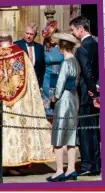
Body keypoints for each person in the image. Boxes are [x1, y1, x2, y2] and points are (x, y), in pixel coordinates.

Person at [0, 32, 55, 175]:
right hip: (18, 102)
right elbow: (28, 79)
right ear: (11, 42)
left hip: (1, 103)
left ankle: (3, 163)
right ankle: (17, 161)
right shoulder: (20, 55)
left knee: (4, 132)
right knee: (17, 132)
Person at [47, 32, 81, 182]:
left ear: (62, 48)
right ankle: (72, 169)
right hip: (74, 99)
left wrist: (54, 97)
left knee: (59, 135)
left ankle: (60, 170)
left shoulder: (66, 63)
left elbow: (60, 84)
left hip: (64, 100)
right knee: (71, 135)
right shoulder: (75, 61)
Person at [70, 16, 100, 176]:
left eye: (73, 30)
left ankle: (88, 165)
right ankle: (96, 163)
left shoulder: (82, 48)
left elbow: (87, 72)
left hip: (86, 94)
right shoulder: (97, 44)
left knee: (86, 130)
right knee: (94, 129)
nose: (73, 33)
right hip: (96, 92)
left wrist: (92, 91)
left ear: (81, 29)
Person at [41, 20, 64, 118]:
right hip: (47, 80)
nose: (53, 38)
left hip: (60, 79)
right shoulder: (43, 48)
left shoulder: (62, 48)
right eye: (51, 35)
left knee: (60, 110)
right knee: (49, 111)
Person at [14, 23, 46, 89]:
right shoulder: (16, 46)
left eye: (31, 34)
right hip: (21, 83)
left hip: (36, 84)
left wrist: (41, 85)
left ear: (35, 35)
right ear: (24, 33)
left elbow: (42, 68)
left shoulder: (40, 48)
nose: (28, 36)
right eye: (27, 33)